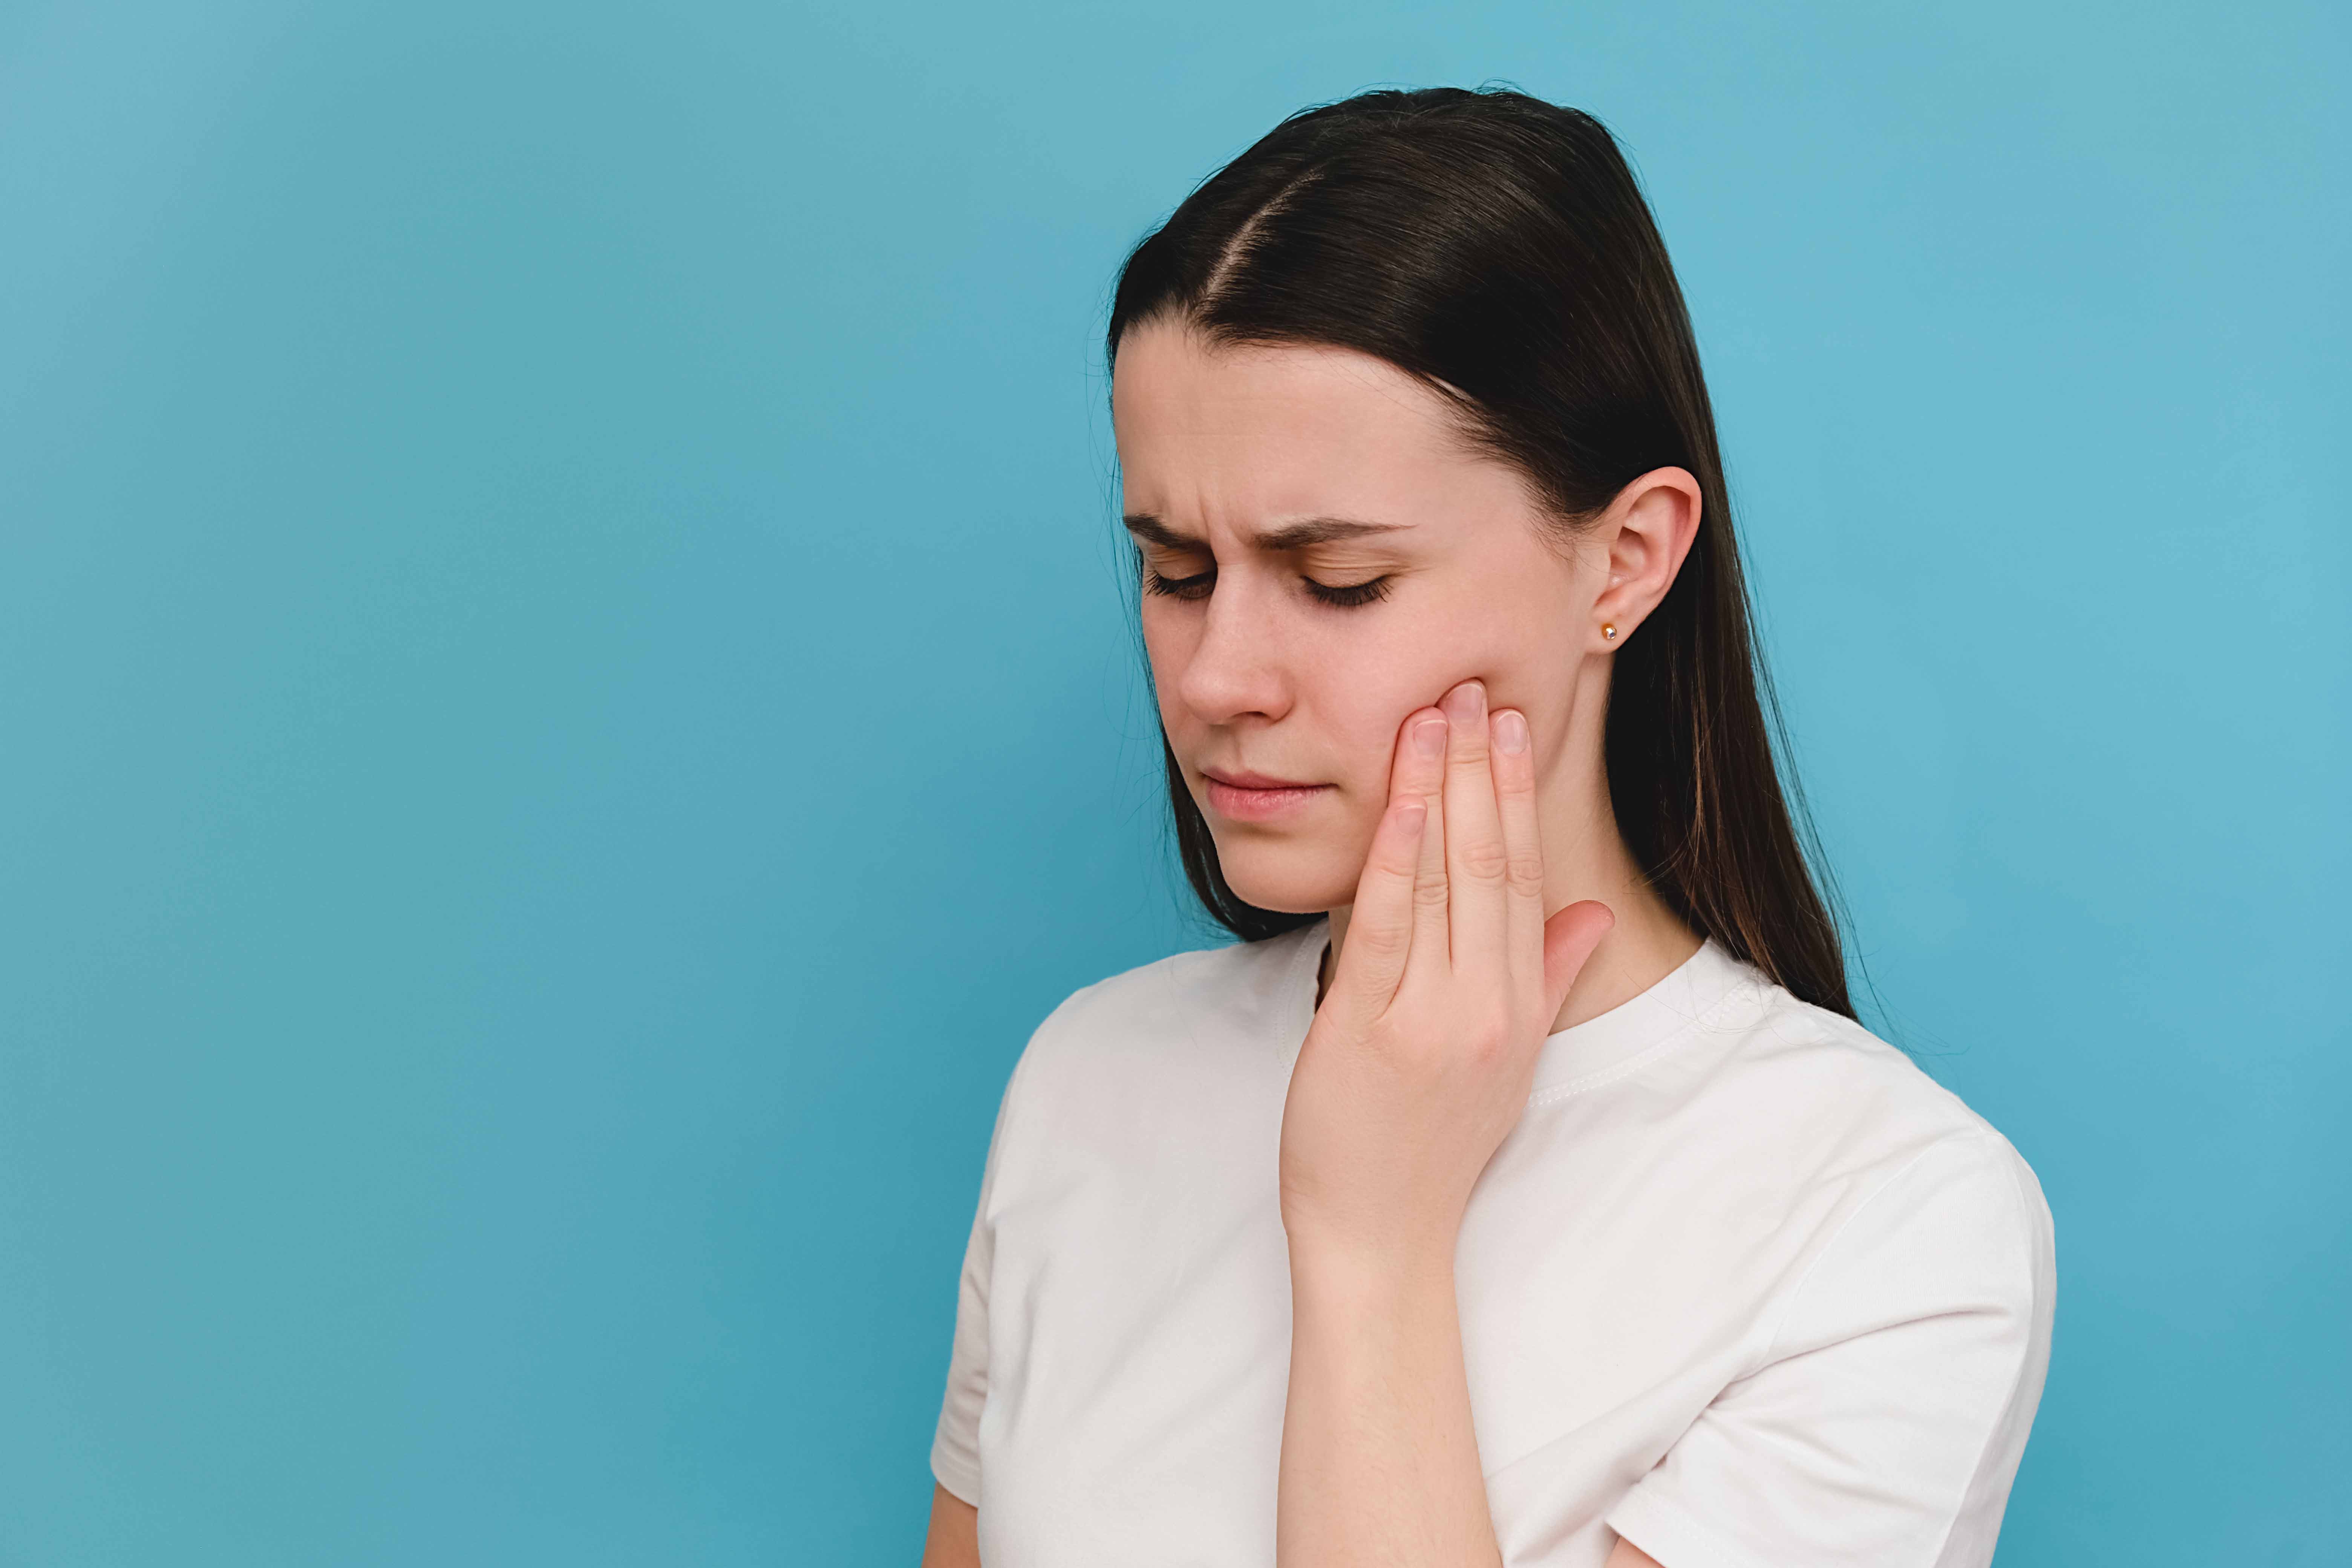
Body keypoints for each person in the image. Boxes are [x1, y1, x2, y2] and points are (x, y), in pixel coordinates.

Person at [917, 87, 2056, 1568]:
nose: (1214, 679)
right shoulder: (1091, 1073)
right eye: (1177, 568)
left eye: (1337, 580)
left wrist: (1373, 1247)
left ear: (1627, 560)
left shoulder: (1891, 1221)